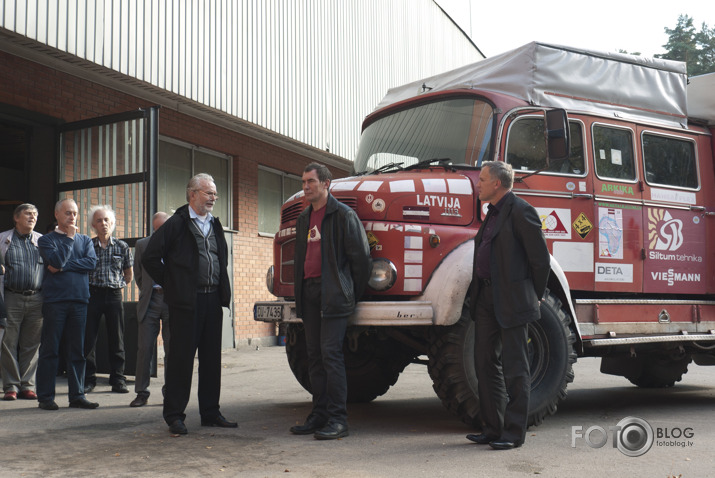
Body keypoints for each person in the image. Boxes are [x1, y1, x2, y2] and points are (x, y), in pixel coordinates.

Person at [465, 161, 550, 450]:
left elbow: (540, 260)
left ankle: (513, 433)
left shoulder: (521, 210)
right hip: (486, 299)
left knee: (516, 368)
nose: (478, 184)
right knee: (484, 362)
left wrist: (532, 295)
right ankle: (492, 428)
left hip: (513, 300)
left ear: (497, 184)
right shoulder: (492, 214)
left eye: (483, 179)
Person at [142, 173, 235, 435]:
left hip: (212, 298)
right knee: (181, 359)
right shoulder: (176, 224)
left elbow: (221, 259)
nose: (213, 198)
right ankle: (174, 415)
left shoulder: (215, 224)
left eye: (215, 194)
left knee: (211, 359)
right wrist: (173, 285)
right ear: (192, 193)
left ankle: (210, 412)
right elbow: (150, 257)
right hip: (186, 302)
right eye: (208, 193)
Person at [289, 163, 371, 440]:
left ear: (326, 184)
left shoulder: (343, 215)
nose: (305, 187)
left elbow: (361, 260)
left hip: (333, 294)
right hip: (309, 293)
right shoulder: (303, 219)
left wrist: (348, 292)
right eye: (303, 182)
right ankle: (319, 415)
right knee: (313, 356)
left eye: (310, 181)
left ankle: (338, 420)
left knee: (330, 355)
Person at [36, 198, 99, 410]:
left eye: (74, 213)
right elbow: (54, 262)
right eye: (67, 213)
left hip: (80, 301)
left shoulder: (86, 240)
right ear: (56, 215)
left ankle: (77, 395)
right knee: (50, 349)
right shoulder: (46, 240)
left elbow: (91, 263)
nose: (72, 217)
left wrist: (63, 267)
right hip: (56, 302)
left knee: (77, 351)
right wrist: (70, 241)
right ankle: (45, 397)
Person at [83, 205, 133, 394]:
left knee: (117, 338)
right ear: (93, 225)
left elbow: (129, 274)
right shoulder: (87, 245)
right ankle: (89, 379)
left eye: (106, 220)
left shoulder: (122, 246)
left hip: (113, 295)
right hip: (92, 295)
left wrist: (117, 285)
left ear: (112, 223)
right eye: (99, 220)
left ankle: (118, 379)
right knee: (89, 339)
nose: (103, 224)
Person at [0, 204, 44, 401]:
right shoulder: (3, 239)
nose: (32, 217)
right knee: (8, 342)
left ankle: (28, 385)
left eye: (35, 214)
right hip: (11, 296)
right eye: (28, 213)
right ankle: (11, 386)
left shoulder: (42, 240)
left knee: (32, 344)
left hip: (37, 297)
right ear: (16, 218)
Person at [130, 211, 171, 407]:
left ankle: (170, 392)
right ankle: (141, 392)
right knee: (144, 349)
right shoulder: (142, 245)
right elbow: (138, 274)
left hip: (172, 302)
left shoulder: (178, 245)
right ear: (154, 227)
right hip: (150, 301)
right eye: (160, 228)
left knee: (172, 350)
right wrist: (149, 290)